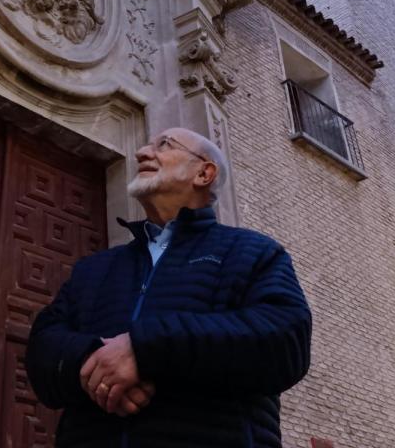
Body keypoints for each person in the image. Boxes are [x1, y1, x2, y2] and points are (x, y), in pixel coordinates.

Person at [26, 127, 312, 447]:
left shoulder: (253, 252)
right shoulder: (94, 268)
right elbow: (42, 350)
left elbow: (287, 341)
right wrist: (96, 361)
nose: (142, 153)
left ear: (204, 172)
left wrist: (146, 349)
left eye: (163, 144)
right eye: (148, 145)